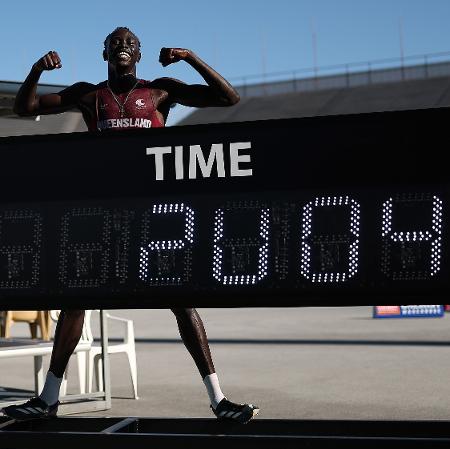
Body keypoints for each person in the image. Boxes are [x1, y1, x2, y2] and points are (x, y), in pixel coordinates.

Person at [2, 27, 258, 424]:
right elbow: (26, 106)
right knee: (75, 301)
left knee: (182, 301)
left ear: (139, 53)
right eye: (115, 42)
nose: (122, 46)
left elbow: (229, 98)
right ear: (104, 51)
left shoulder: (160, 91)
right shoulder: (90, 95)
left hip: (154, 212)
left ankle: (219, 399)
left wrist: (190, 57)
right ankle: (47, 399)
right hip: (104, 214)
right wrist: (36, 68)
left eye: (130, 43)